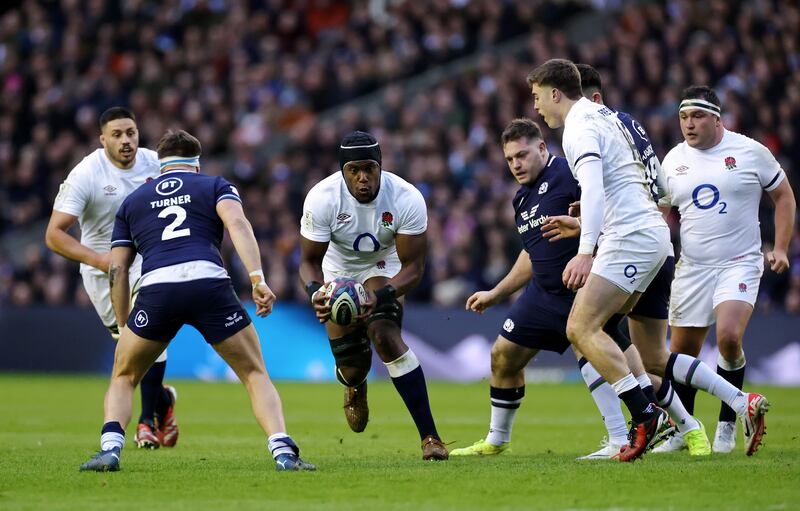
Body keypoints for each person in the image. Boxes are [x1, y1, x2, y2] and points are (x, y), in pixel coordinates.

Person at [79, 130, 314, 472]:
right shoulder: (215, 185)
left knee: (124, 374)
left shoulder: (133, 201)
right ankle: (283, 453)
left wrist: (123, 321)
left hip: (158, 289)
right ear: (196, 164)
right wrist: (257, 279)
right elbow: (237, 223)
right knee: (253, 372)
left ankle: (110, 450)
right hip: (209, 284)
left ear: (160, 167)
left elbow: (118, 268)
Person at [449, 118, 632, 460]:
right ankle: (497, 439)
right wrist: (496, 293)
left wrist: (589, 251)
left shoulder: (569, 174)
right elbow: (533, 254)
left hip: (584, 287)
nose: (516, 164)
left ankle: (628, 436)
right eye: (509, 160)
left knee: (634, 363)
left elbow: (611, 213)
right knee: (503, 356)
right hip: (544, 294)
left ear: (542, 148)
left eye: (522, 155)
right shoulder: (521, 200)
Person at [527, 59, 674, 462]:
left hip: (629, 238)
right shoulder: (613, 117)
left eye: (538, 97)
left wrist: (585, 252)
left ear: (555, 93)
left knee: (579, 327)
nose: (536, 107)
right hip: (648, 233)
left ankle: (647, 414)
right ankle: (660, 416)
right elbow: (657, 184)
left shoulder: (578, 126)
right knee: (607, 327)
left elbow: (591, 186)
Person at [298, 131, 448, 461]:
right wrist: (314, 293)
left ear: (381, 167)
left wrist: (380, 297)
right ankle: (355, 385)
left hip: (385, 266)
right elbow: (308, 261)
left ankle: (430, 437)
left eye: (370, 168)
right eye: (354, 170)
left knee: (385, 336)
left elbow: (414, 267)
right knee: (352, 368)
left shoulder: (406, 198)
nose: (363, 177)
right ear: (343, 171)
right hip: (337, 273)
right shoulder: (322, 198)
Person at [660, 86, 793, 454]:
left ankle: (726, 423)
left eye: (697, 116)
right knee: (681, 353)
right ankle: (684, 429)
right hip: (692, 268)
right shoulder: (672, 161)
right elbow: (659, 213)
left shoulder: (750, 151)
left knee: (729, 337)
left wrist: (780, 248)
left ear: (716, 118)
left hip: (739, 262)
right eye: (684, 117)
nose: (689, 124)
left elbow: (784, 196)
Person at [45, 107, 178, 449]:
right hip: (102, 270)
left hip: (147, 262)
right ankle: (162, 401)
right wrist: (100, 260)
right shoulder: (87, 173)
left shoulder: (155, 163)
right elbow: (54, 235)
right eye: (117, 135)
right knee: (130, 347)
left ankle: (146, 423)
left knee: (146, 332)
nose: (126, 141)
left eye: (131, 133)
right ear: (102, 139)